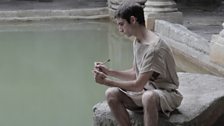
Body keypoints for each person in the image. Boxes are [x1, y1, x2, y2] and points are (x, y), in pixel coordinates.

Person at [93, 1, 183, 126]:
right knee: (111, 94)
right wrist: (109, 72)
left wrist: (107, 81)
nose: (120, 29)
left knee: (148, 97)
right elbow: (135, 73)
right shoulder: (138, 41)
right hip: (146, 90)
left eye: (121, 24)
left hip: (166, 94)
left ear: (133, 20)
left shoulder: (154, 48)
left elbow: (137, 85)